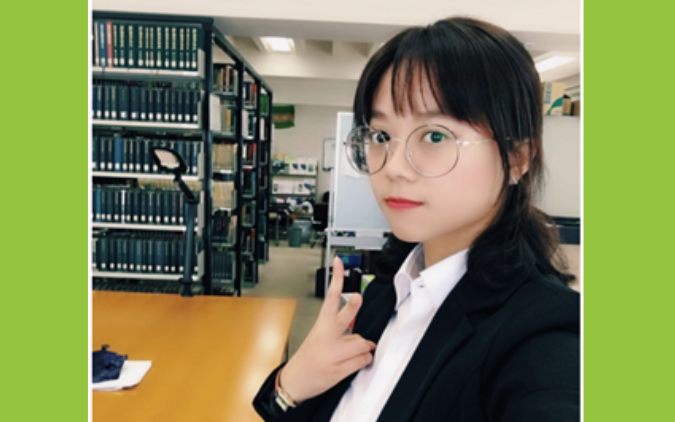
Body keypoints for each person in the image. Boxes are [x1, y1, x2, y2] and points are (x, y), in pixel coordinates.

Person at [253, 16, 580, 422]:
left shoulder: (544, 339)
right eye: (380, 136)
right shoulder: (388, 291)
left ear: (517, 158)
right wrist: (289, 386)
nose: (393, 167)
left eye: (435, 136)